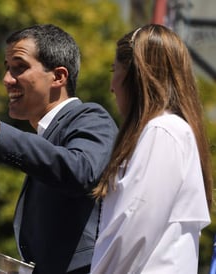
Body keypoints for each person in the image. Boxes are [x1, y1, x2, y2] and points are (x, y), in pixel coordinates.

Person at [0, 24, 118, 273]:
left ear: (59, 77)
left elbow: (81, 171)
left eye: (20, 67)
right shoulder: (43, 138)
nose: (6, 80)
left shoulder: (91, 117)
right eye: (7, 69)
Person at [90, 24, 213, 274]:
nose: (112, 86)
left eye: (115, 70)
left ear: (136, 76)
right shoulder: (170, 131)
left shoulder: (162, 131)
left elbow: (134, 228)